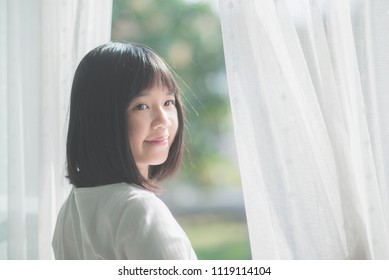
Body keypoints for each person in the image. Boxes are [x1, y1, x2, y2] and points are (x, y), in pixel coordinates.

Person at [52, 42, 197, 260]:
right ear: (102, 119)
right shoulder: (140, 210)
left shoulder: (71, 210)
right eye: (142, 106)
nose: (163, 121)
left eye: (168, 102)